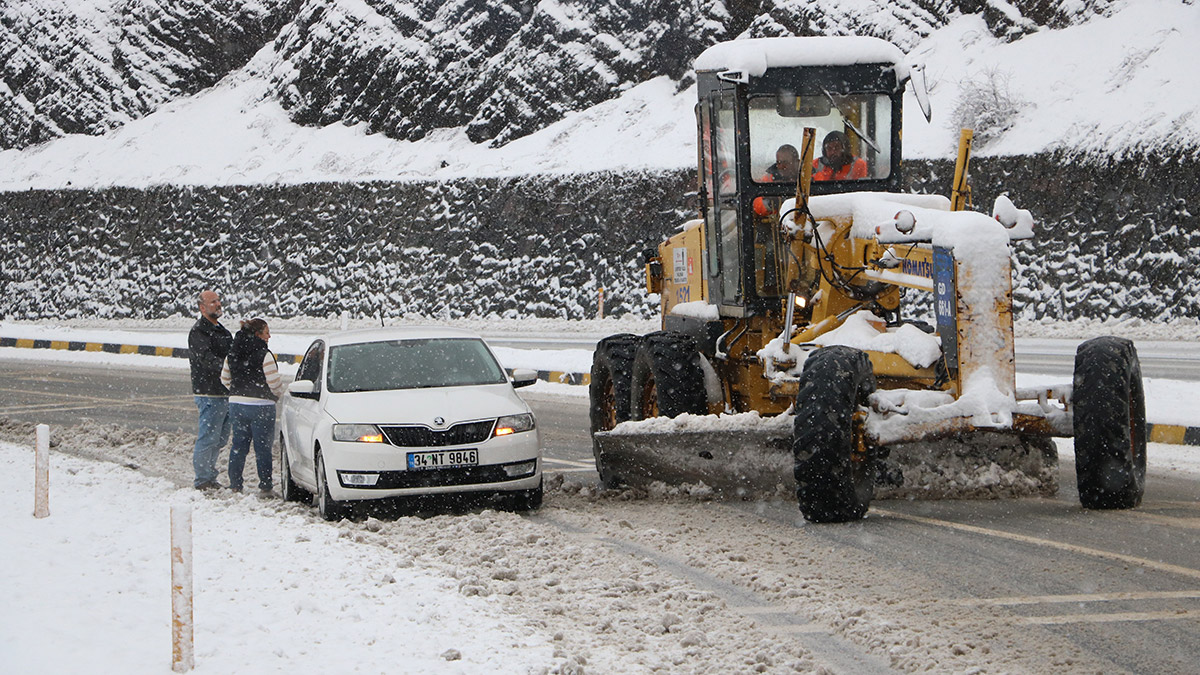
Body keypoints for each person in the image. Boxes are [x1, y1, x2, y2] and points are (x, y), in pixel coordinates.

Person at [221, 318, 283, 494]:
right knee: (262, 448)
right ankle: (265, 486)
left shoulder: (233, 353)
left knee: (238, 446)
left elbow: (224, 379)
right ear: (258, 334)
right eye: (266, 332)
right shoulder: (264, 354)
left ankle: (235, 485)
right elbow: (274, 383)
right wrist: (275, 395)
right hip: (261, 405)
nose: (269, 336)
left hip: (236, 405)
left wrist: (238, 391)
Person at [189, 289, 233, 490]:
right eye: (213, 301)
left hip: (225, 392)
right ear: (202, 307)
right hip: (209, 393)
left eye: (218, 300)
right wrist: (227, 368)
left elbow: (232, 355)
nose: (218, 304)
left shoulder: (222, 331)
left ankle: (209, 476)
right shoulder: (199, 332)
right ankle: (203, 480)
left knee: (220, 438)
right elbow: (206, 359)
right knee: (208, 436)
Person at [753, 144, 800, 217]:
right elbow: (756, 204)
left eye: (785, 162)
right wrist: (773, 201)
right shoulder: (769, 178)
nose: (781, 166)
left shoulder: (809, 175)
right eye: (778, 162)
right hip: (776, 221)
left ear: (797, 162)